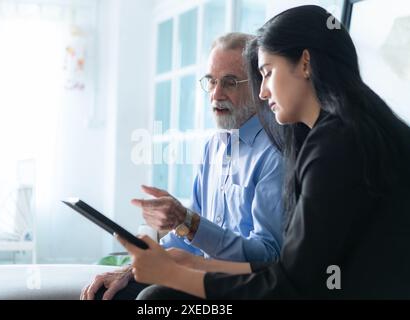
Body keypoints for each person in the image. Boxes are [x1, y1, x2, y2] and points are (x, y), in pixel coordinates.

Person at [117, 5, 410, 299]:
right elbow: (292, 268)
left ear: (306, 63)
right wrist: (186, 263)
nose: (263, 92)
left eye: (267, 73)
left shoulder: (334, 144)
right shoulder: (350, 130)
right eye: (211, 82)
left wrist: (176, 274)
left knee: (156, 300)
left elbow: (288, 282)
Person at [81, 32, 285, 300]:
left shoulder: (275, 152)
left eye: (230, 82)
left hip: (240, 288)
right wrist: (135, 267)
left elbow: (267, 257)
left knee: (150, 300)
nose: (216, 94)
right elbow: (188, 239)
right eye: (211, 81)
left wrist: (188, 222)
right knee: (106, 293)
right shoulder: (213, 148)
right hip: (196, 276)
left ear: (259, 87)